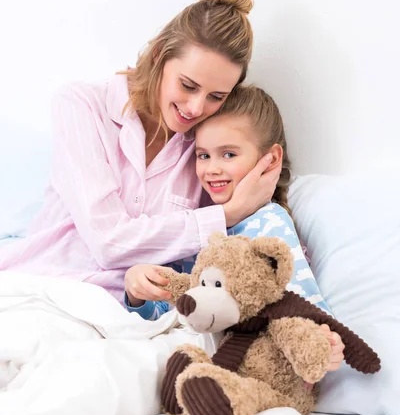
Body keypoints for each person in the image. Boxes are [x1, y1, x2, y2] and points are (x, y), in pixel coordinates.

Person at [0, 0, 281, 303]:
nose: (195, 108)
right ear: (160, 55)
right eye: (187, 85)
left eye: (216, 97)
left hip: (129, 312)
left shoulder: (207, 150)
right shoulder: (81, 105)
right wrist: (224, 216)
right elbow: (108, 242)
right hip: (42, 286)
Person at [124, 85, 345, 372]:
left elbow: (302, 307)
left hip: (249, 365)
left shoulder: (269, 223)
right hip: (187, 355)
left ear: (271, 159)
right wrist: (138, 294)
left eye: (228, 155)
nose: (211, 168)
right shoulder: (199, 226)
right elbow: (172, 312)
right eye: (203, 155)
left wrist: (324, 341)